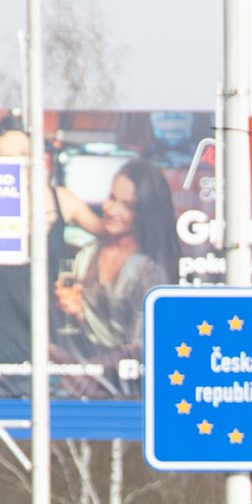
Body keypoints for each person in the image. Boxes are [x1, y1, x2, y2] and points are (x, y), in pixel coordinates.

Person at [0, 114, 101, 357]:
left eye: (25, 154)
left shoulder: (62, 199)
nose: (21, 164)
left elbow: (114, 236)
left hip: (51, 334)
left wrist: (85, 276)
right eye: (8, 159)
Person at [53, 157, 178, 372]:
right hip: (83, 374)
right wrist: (75, 312)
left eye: (127, 206)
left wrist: (90, 371)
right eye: (111, 198)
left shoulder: (149, 269)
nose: (111, 209)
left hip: (130, 384)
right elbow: (88, 328)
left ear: (145, 213)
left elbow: (144, 345)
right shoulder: (86, 255)